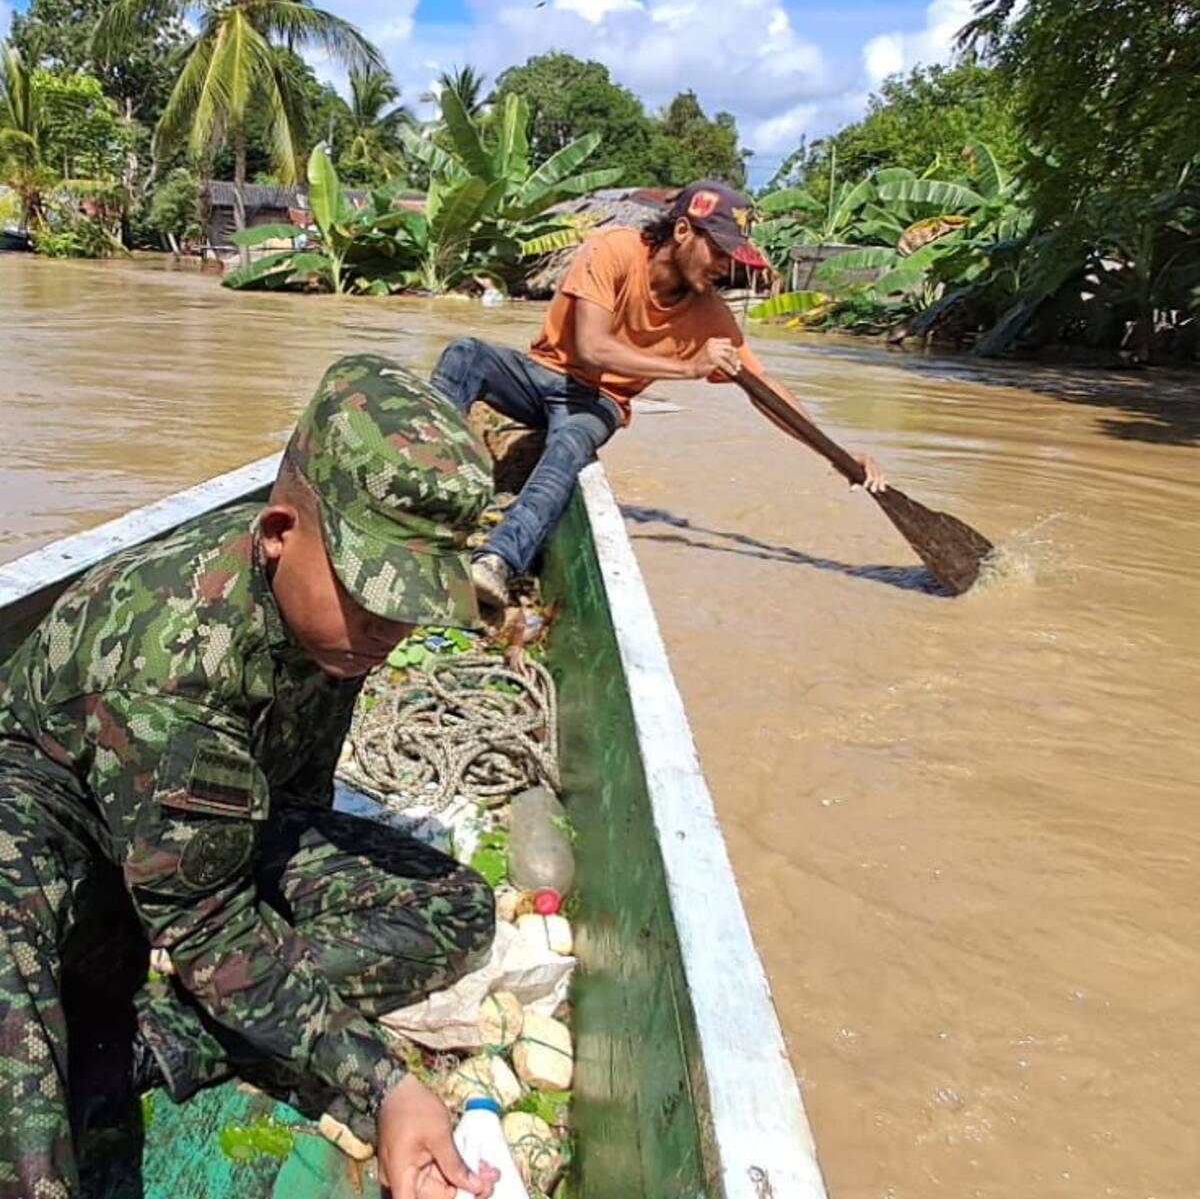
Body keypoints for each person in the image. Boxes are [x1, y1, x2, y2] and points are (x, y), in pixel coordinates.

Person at [0, 354, 502, 1199]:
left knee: (455, 908)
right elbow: (208, 922)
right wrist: (385, 1081)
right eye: (372, 596)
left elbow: (295, 796)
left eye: (413, 604)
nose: (389, 631)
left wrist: (256, 933)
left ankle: (149, 1041)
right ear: (277, 532)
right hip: (61, 829)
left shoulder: (333, 625)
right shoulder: (171, 659)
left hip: (200, 839)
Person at [431, 179, 887, 609]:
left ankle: (497, 561)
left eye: (732, 260)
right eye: (720, 253)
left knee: (570, 443)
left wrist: (838, 455)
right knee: (466, 354)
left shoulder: (707, 310)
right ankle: (424, 487)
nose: (725, 268)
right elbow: (592, 349)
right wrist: (688, 367)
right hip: (541, 374)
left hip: (598, 402)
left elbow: (764, 388)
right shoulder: (613, 250)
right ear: (684, 230)